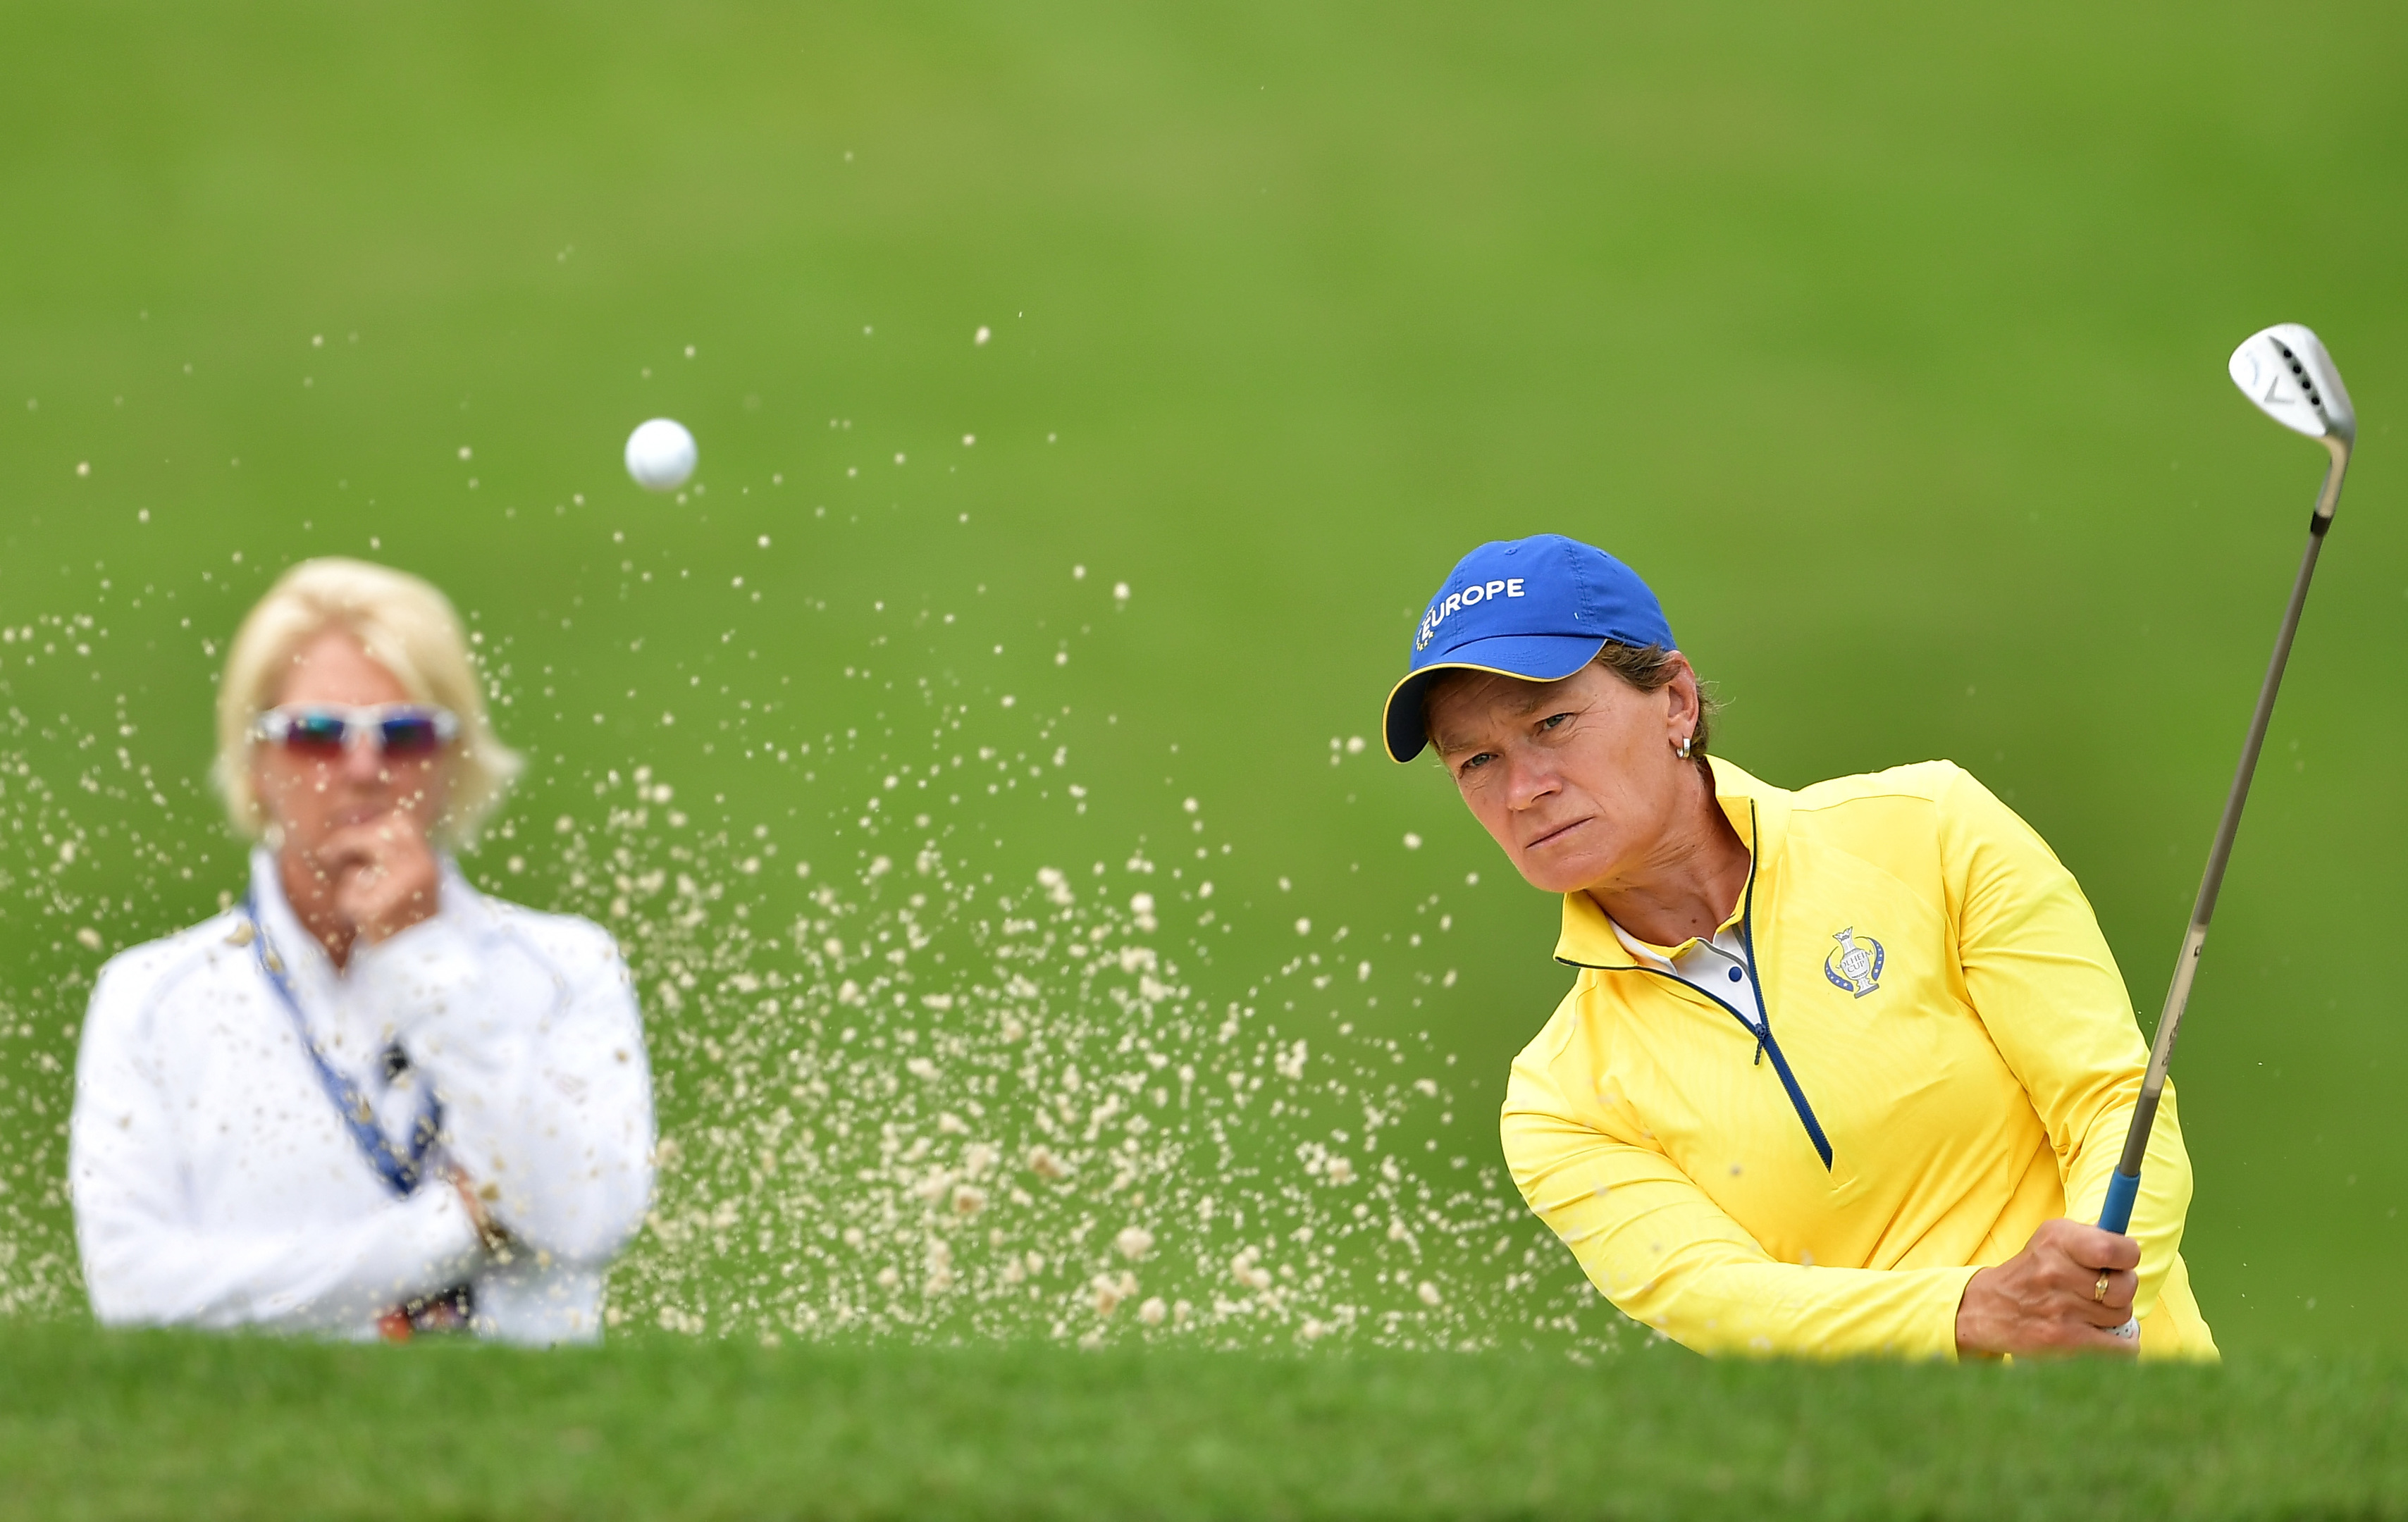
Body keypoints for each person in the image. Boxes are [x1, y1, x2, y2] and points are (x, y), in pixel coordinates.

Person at [1382, 534, 2215, 1360]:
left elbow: (2107, 1100)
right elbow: (1727, 1303)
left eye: (1554, 722)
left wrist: (2099, 1289)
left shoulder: (1930, 828)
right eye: (1478, 761)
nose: (1524, 790)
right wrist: (1975, 1313)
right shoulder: (1559, 1100)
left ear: (1676, 700)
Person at [70, 558, 655, 1342]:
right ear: (257, 763)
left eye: (406, 734)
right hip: (257, 1460)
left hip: (532, 1461)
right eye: (315, 735)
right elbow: (137, 1300)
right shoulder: (152, 998)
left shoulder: (567, 968)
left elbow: (584, 1222)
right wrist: (453, 1234)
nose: (364, 768)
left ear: (456, 760)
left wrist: (422, 956)